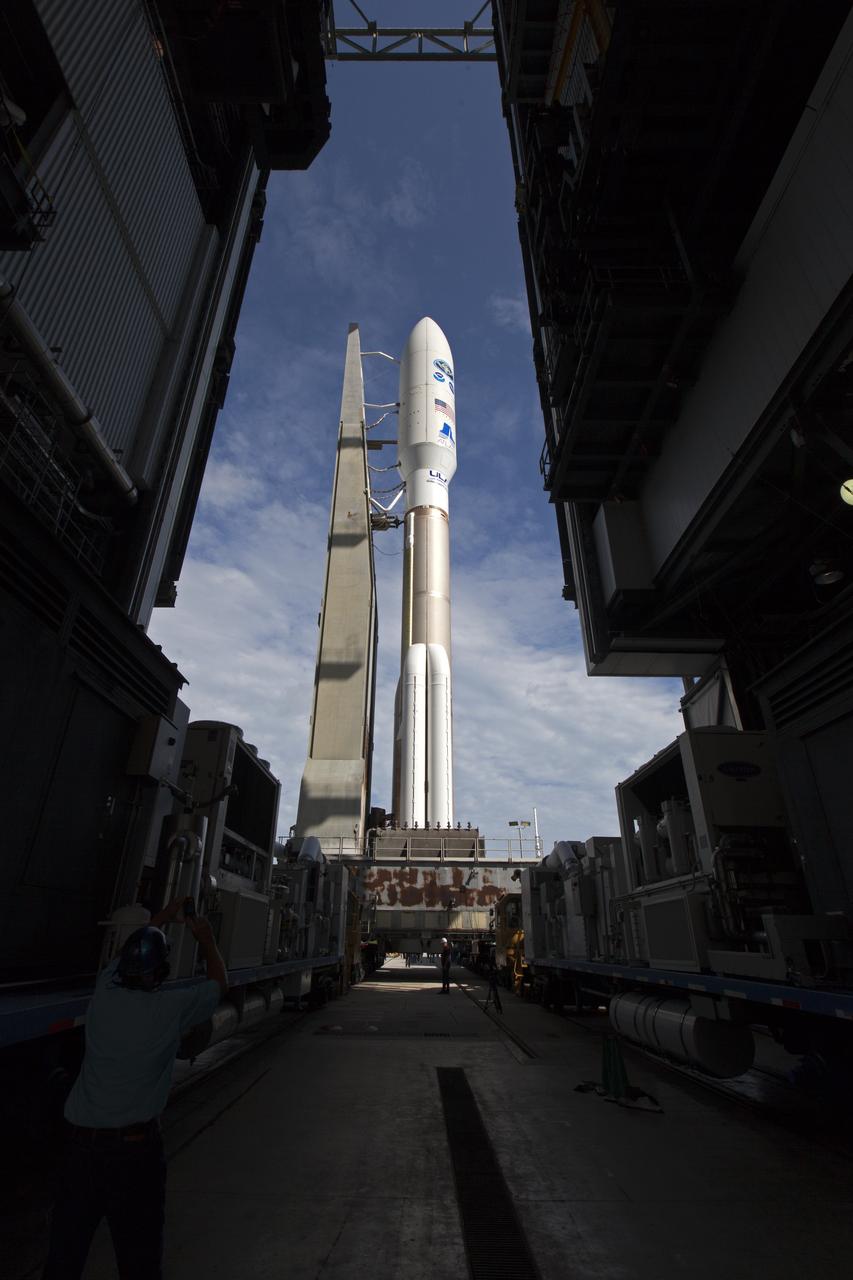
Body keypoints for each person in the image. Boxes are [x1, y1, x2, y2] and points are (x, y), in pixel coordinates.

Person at [41, 898, 227, 1280]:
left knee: (64, 1254)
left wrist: (164, 915)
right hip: (134, 1155)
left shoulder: (104, 993)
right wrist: (205, 938)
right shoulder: (171, 1009)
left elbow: (132, 947)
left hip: (80, 1152)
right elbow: (218, 983)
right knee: (138, 1258)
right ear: (161, 972)